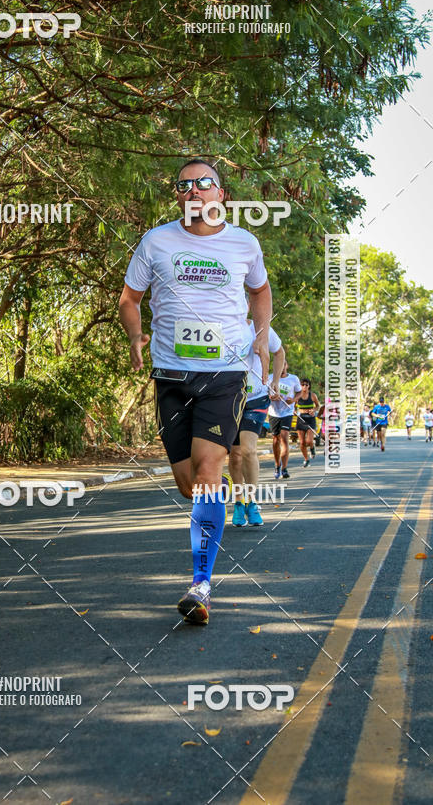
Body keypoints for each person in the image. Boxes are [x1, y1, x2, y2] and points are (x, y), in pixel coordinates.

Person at [119, 158, 271, 624]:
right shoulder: (156, 242)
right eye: (185, 186)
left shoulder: (244, 242)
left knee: (207, 473)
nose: (195, 191)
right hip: (171, 376)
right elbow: (130, 299)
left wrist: (261, 333)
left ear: (220, 194)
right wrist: (135, 338)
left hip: (224, 376)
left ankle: (200, 585)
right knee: (190, 485)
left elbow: (260, 292)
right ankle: (213, 497)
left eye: (205, 183)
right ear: (178, 197)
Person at [228, 320, 285, 527]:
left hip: (257, 398)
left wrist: (275, 381)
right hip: (228, 399)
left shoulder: (261, 328)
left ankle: (252, 502)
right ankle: (238, 502)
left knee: (248, 450)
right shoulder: (223, 324)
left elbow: (279, 353)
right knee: (234, 455)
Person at [267, 360, 301, 480]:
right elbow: (265, 393)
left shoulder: (293, 379)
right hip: (273, 412)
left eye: (284, 364)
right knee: (276, 439)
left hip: (287, 411)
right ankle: (277, 465)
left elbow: (299, 392)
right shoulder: (269, 378)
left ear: (287, 366)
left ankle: (284, 468)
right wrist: (272, 397)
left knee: (284, 436)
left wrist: (293, 400)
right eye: (279, 364)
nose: (281, 367)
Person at [296, 379, 321, 467]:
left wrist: (314, 409)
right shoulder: (297, 395)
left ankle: (312, 447)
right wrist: (293, 411)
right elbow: (292, 405)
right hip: (301, 419)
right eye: (302, 384)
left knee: (309, 440)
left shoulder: (312, 395)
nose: (304, 386)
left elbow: (318, 406)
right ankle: (306, 459)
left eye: (306, 385)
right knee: (302, 442)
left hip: (311, 419)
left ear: (309, 386)